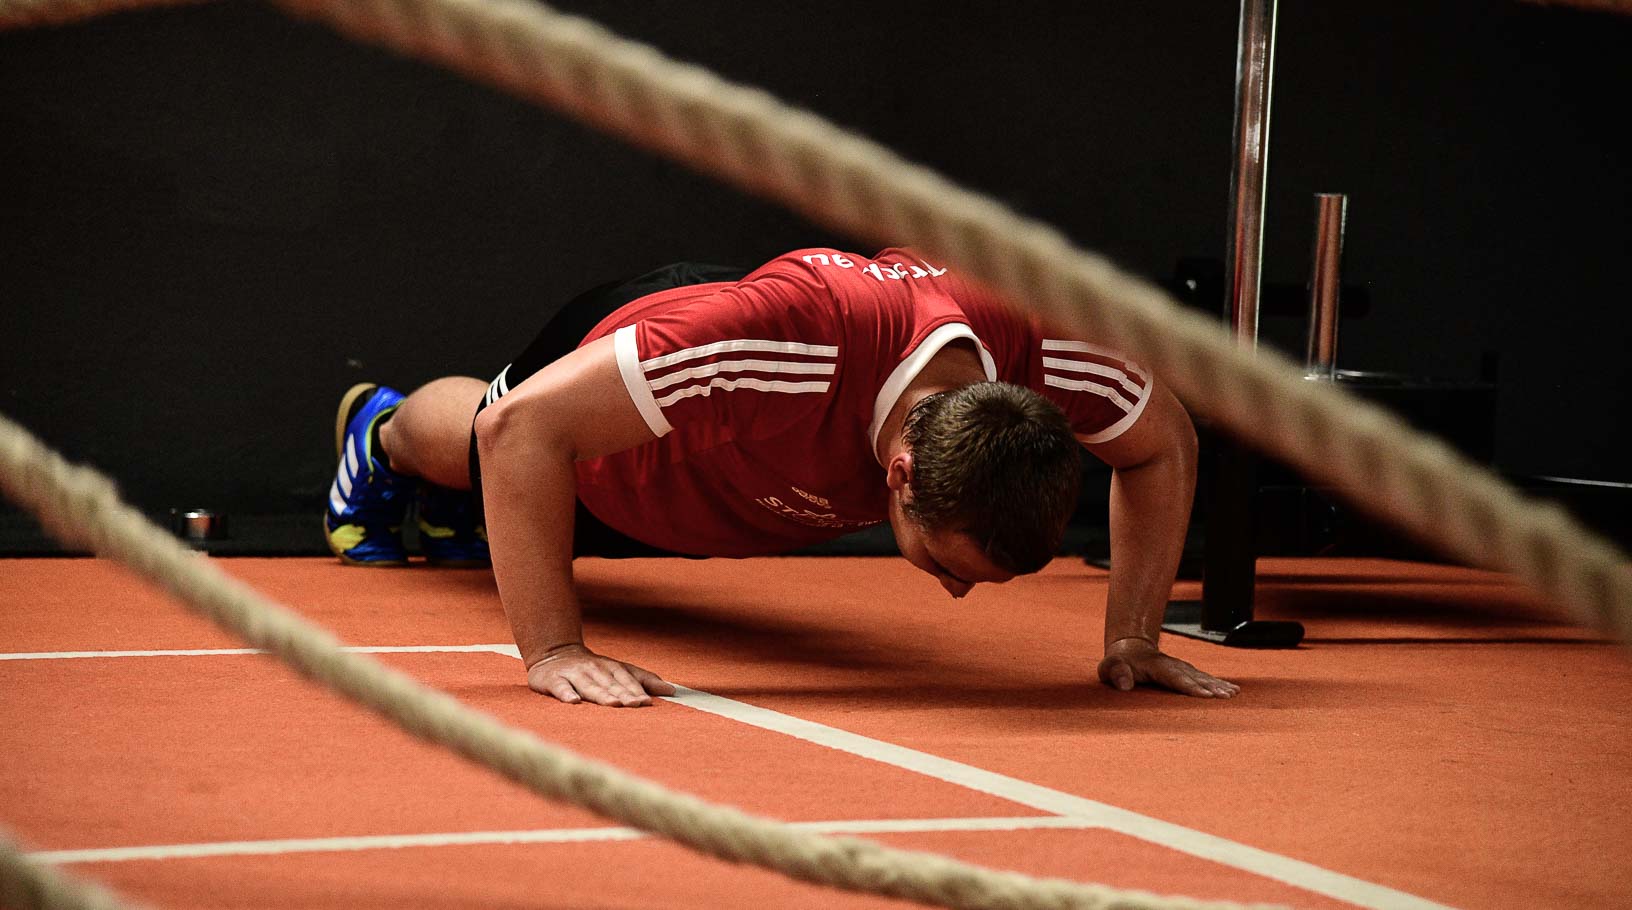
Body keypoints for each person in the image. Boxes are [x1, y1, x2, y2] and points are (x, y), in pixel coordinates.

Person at [323, 247, 1237, 706]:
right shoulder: (783, 339)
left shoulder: (1047, 352)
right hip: (625, 431)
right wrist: (556, 650)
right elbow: (523, 432)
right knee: (481, 436)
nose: (957, 594)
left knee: (520, 501)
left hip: (739, 487)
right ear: (904, 469)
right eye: (952, 564)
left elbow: (1165, 442)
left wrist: (1133, 636)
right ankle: (380, 431)